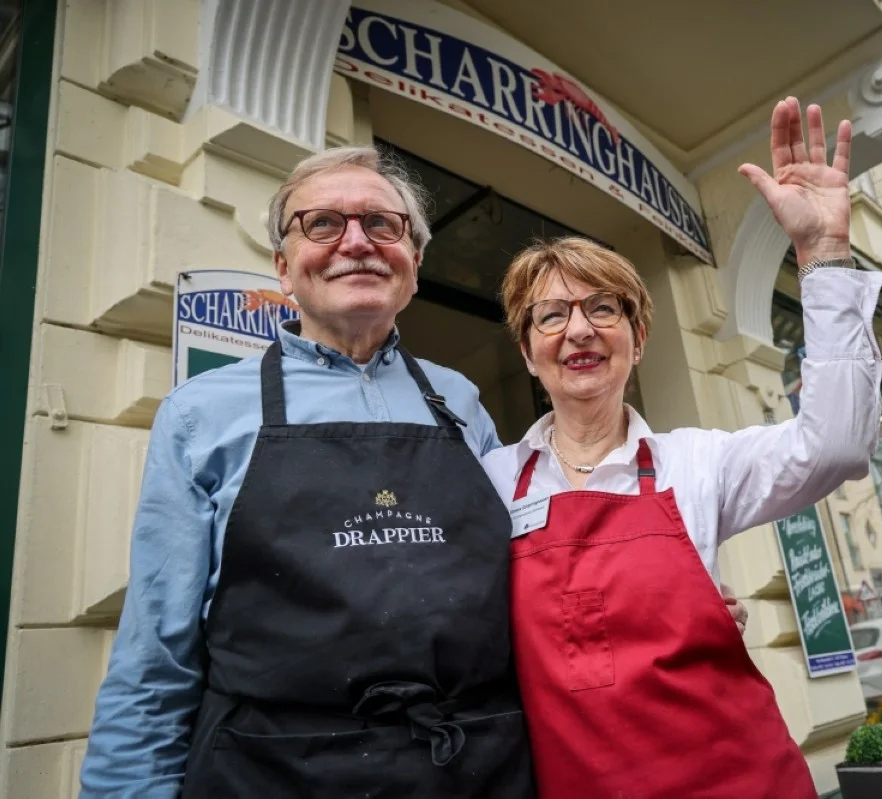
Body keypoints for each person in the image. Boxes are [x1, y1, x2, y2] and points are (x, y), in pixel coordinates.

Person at [79, 147, 538, 797]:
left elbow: (528, 572)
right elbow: (156, 662)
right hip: (274, 771)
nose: (357, 241)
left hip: (477, 769)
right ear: (284, 268)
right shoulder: (200, 413)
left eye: (383, 223)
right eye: (323, 223)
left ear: (414, 264)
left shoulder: (461, 400)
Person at [484, 98, 882, 798]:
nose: (578, 330)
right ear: (528, 352)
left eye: (603, 309)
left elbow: (840, 445)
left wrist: (822, 253)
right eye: (552, 315)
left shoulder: (697, 461)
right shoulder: (489, 483)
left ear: (637, 340)